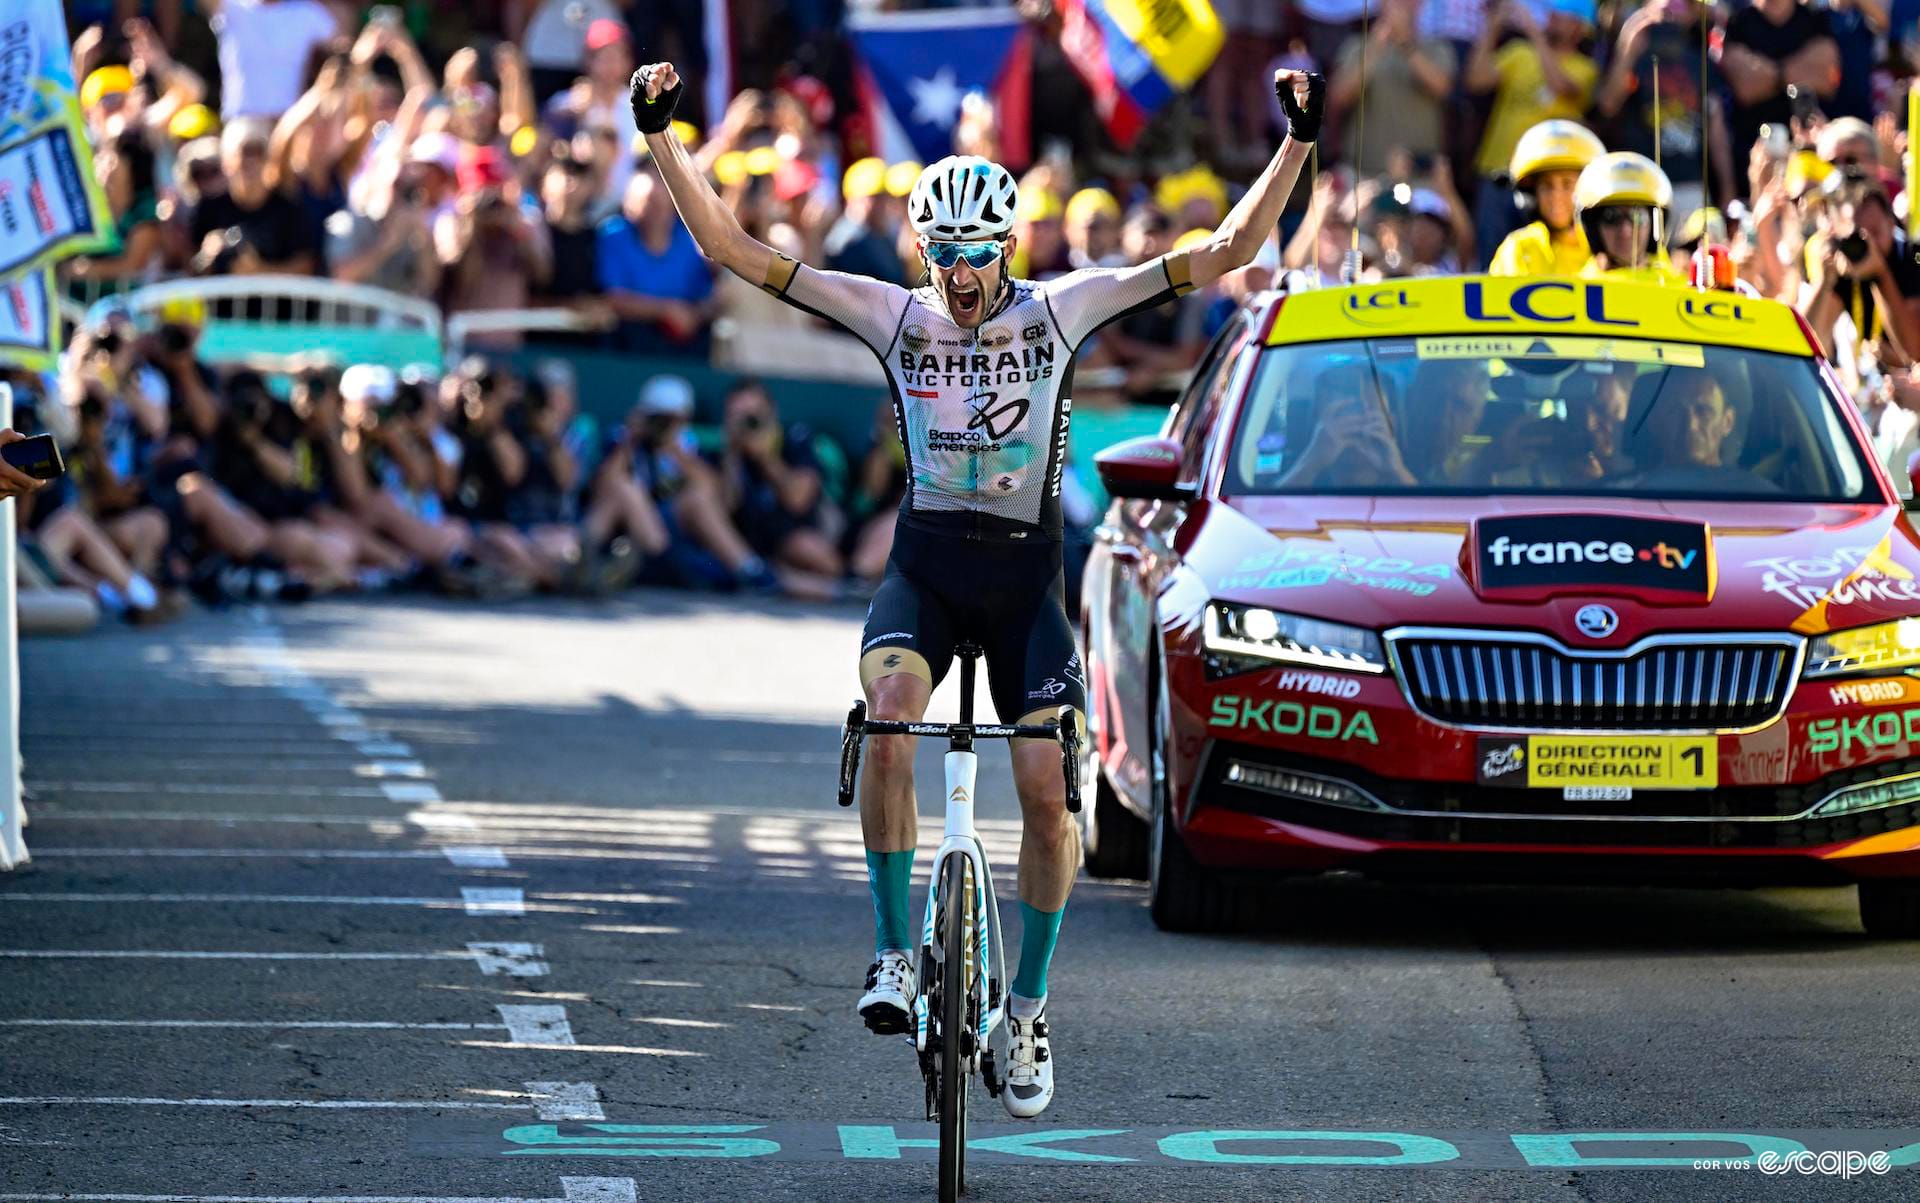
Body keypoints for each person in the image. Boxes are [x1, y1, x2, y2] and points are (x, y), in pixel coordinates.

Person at [630, 57, 1325, 1119]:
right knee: (892, 719)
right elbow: (732, 248)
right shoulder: (894, 316)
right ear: (924, 249)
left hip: (1021, 585)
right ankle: (891, 955)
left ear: (1010, 245)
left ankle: (1029, 1005)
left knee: (1048, 792)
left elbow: (1225, 251)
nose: (959, 272)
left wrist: (1298, 142)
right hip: (926, 571)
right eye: (942, 251)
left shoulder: (1061, 310)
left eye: (977, 252)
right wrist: (661, 136)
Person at [1467, 0, 1599, 265]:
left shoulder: (1585, 68)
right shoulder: (1518, 53)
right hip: (1498, 173)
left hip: (1546, 186)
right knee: (1490, 259)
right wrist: (1493, 28)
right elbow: (1476, 80)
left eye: (1560, 15)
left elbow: (1562, 86)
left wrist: (1532, 31)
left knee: (1544, 257)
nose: (1551, 18)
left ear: (1580, 27)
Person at [1488, 119, 1606, 276]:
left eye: (1567, 184)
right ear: (1532, 194)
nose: (1556, 196)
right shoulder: (1520, 249)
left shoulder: (1611, 245)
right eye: (1547, 186)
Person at [1576, 151, 1686, 283]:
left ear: (1654, 225)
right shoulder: (1577, 290)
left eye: (1638, 217)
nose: (1625, 231)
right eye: (1612, 218)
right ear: (1593, 228)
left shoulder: (1681, 289)